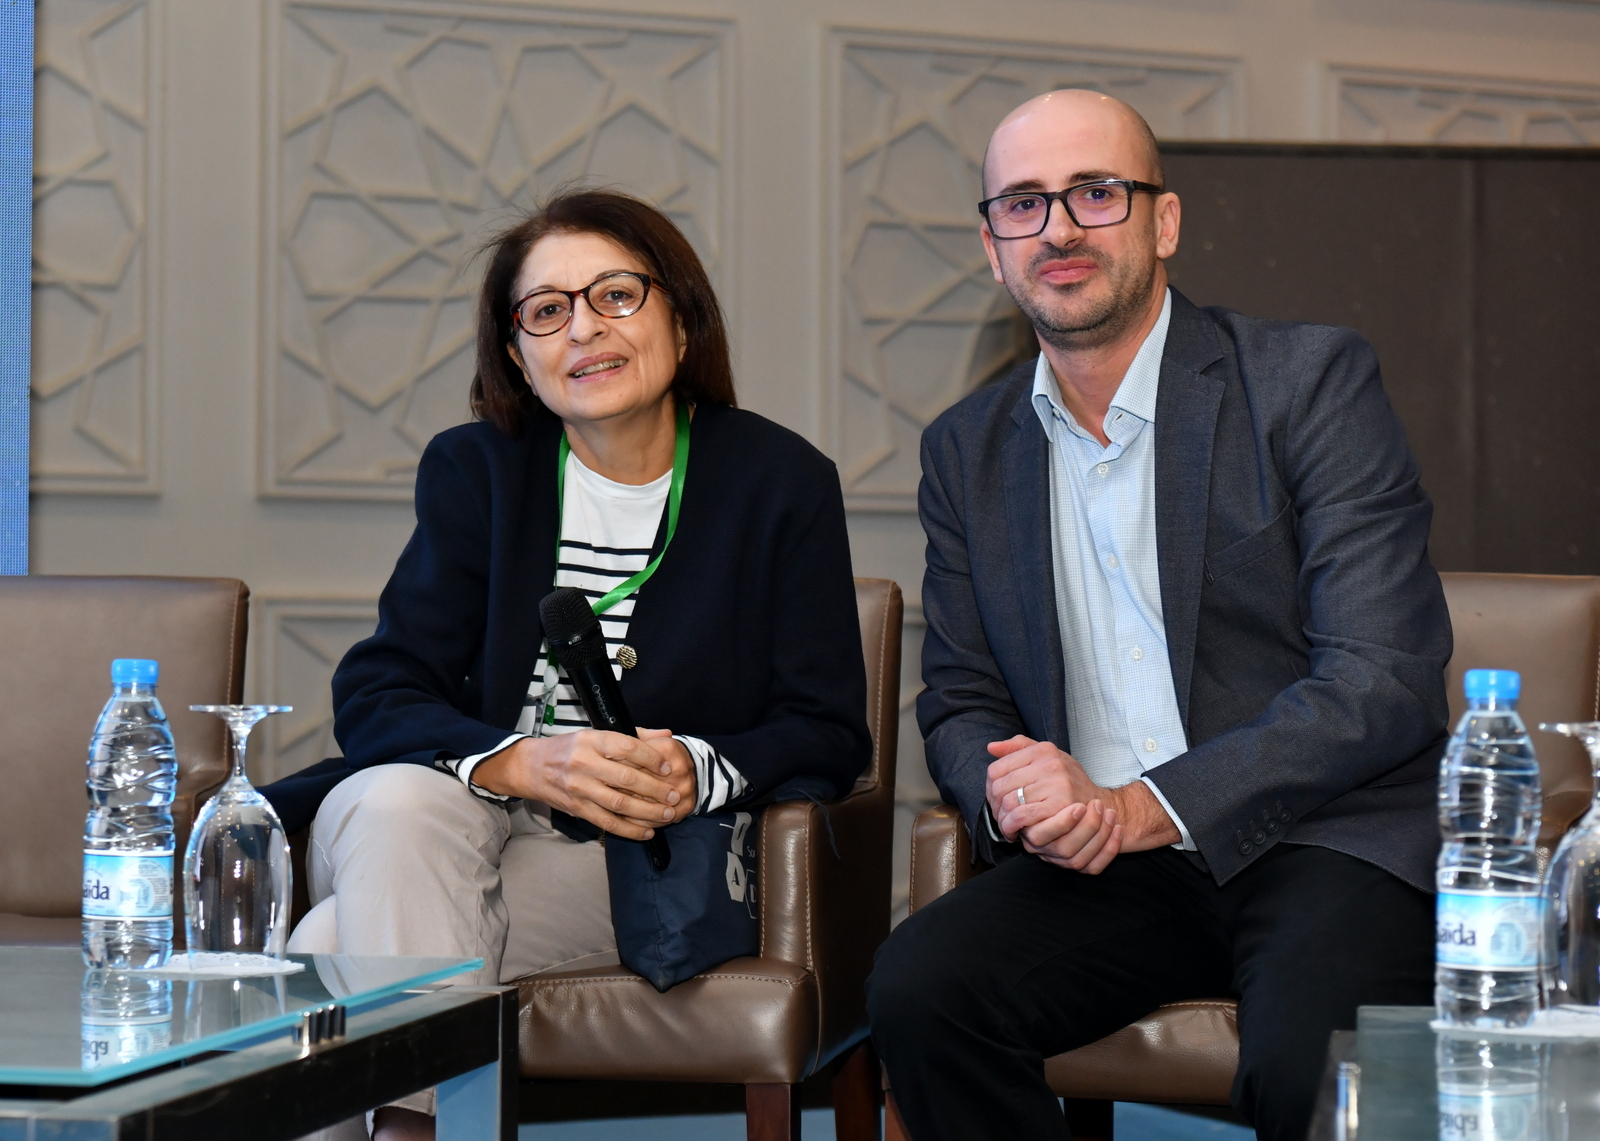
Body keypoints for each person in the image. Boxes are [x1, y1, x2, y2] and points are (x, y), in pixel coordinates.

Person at [866, 90, 1452, 1141]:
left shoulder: (1306, 381)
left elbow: (1382, 677)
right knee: (920, 991)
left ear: (1163, 221)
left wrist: (1147, 804)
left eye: (1095, 192)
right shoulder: (964, 448)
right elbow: (958, 696)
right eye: (1024, 203)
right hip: (1107, 869)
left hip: (1323, 837)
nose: (1058, 229)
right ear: (993, 248)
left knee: (1312, 1065)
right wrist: (1014, 793)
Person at [285, 189, 871, 1141]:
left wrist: (696, 768)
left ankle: (411, 1127)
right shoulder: (479, 470)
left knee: (328, 946)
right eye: (548, 310)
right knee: (395, 803)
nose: (584, 329)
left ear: (680, 317)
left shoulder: (779, 482)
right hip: (446, 817)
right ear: (518, 354)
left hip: (621, 856)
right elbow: (378, 691)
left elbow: (827, 726)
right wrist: (518, 762)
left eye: (615, 295)